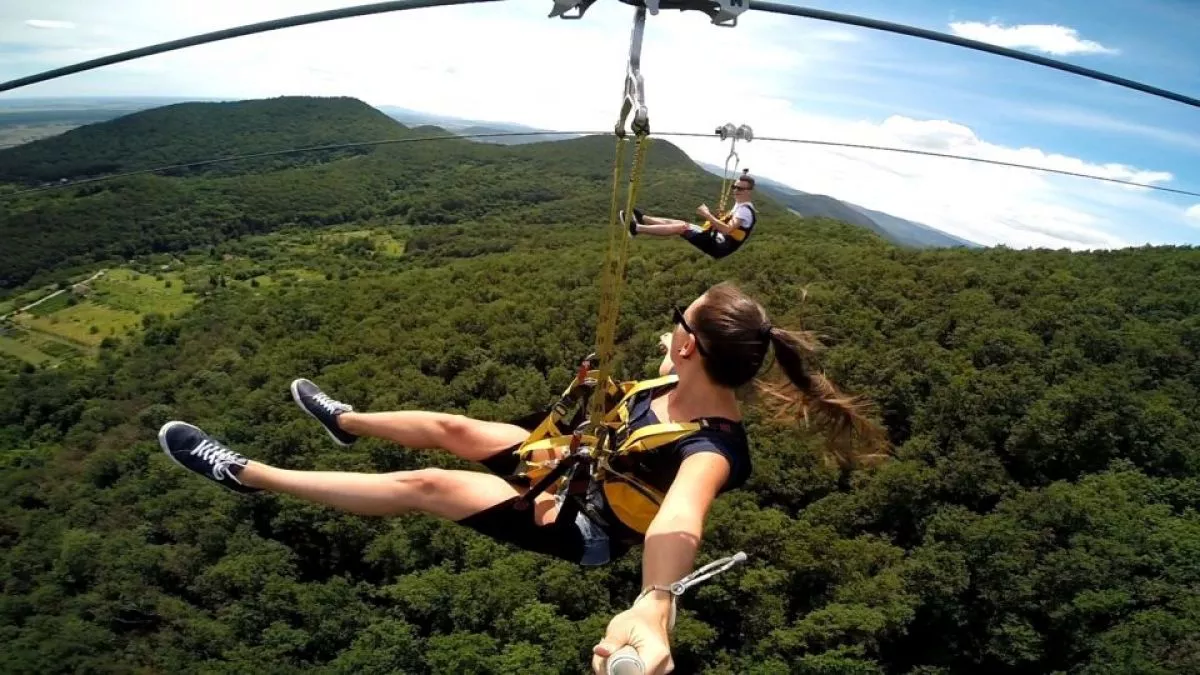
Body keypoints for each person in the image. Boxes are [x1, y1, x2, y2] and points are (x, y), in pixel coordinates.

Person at [157, 281, 887, 674]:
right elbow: (661, 388)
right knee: (457, 429)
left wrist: (655, 601)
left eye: (677, 324)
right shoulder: (680, 375)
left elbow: (679, 519)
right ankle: (344, 422)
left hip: (583, 523)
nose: (668, 334)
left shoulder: (713, 447)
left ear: (692, 347)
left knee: (430, 484)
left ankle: (248, 474)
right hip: (573, 463)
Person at [623, 170, 758, 260]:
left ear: (749, 192)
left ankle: (637, 229)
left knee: (681, 227)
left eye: (739, 188)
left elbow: (727, 230)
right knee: (680, 222)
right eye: (735, 187)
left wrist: (707, 215)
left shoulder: (744, 211)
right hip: (716, 239)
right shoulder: (740, 204)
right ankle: (644, 219)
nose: (735, 191)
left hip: (718, 246)